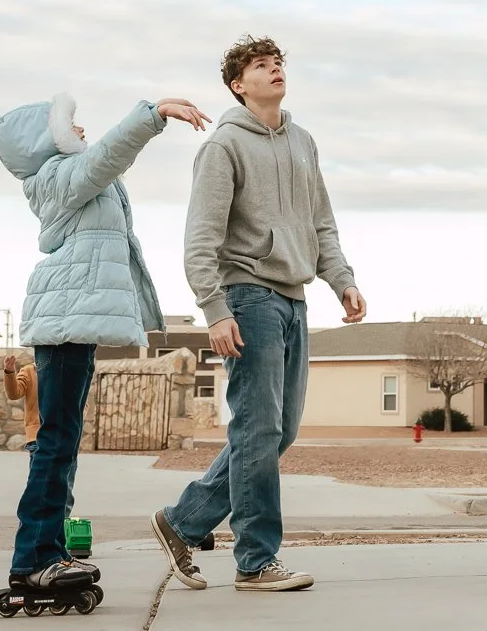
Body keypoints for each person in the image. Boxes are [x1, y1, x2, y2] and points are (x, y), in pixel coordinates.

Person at [153, 36, 366, 594]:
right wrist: (214, 309)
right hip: (247, 296)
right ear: (236, 84)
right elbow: (201, 235)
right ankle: (255, 560)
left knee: (279, 431)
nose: (273, 71)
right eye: (259, 66)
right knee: (257, 429)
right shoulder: (224, 145)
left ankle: (182, 522)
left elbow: (321, 221)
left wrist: (341, 279)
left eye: (277, 64)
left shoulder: (303, 142)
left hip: (294, 298)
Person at [0, 90, 209, 597]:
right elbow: (108, 156)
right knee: (54, 443)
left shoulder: (67, 177)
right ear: (44, 142)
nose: (82, 131)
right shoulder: (55, 177)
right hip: (66, 322)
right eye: (69, 127)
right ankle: (34, 560)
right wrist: (152, 116)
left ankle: (49, 553)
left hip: (75, 322)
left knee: (62, 441)